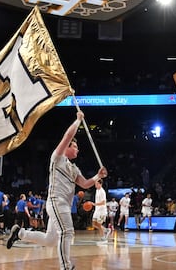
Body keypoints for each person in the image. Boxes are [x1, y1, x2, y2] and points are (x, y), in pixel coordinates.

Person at [6, 110, 108, 270]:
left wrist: (97, 176)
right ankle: (66, 267)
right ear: (67, 148)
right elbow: (67, 137)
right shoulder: (57, 157)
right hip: (56, 201)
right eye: (75, 147)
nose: (78, 150)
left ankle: (20, 233)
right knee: (67, 232)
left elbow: (85, 184)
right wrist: (77, 121)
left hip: (63, 206)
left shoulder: (74, 169)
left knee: (50, 240)